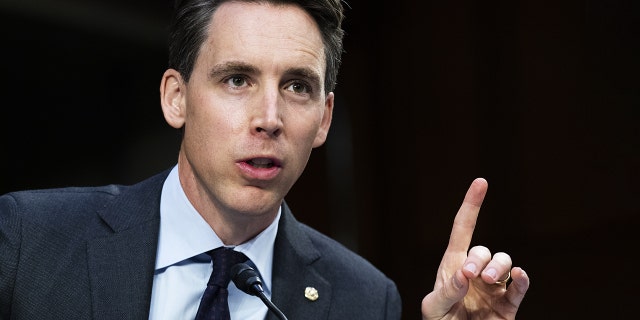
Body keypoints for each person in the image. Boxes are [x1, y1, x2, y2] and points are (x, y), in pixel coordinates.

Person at [0, 0, 530, 319]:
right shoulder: (28, 241)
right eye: (237, 79)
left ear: (323, 120)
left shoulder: (365, 301)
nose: (269, 117)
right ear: (175, 98)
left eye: (297, 86)